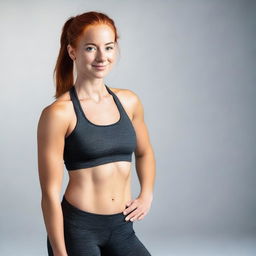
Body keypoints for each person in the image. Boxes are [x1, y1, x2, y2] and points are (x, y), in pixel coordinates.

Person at [37, 11, 156, 256]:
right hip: (78, 229)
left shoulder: (129, 101)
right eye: (91, 48)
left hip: (122, 227)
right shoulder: (59, 113)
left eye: (109, 47)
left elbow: (144, 153)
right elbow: (49, 193)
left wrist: (146, 194)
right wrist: (60, 252)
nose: (102, 57)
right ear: (73, 52)